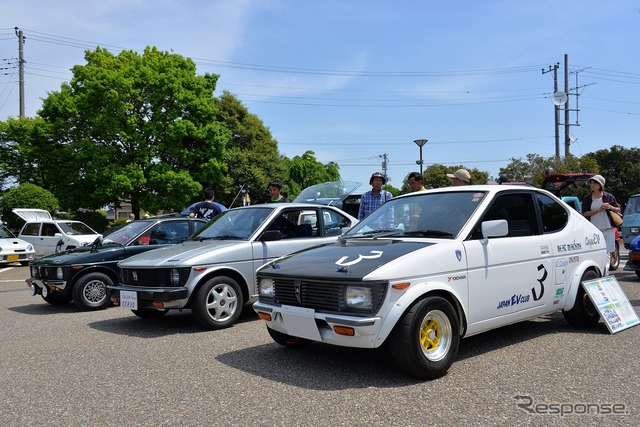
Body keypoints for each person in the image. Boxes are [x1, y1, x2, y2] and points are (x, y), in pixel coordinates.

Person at [581, 174, 621, 259]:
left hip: (608, 228)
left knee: (608, 253)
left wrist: (610, 207)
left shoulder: (608, 196)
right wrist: (598, 210)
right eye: (591, 183)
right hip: (594, 230)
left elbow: (618, 209)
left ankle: (606, 272)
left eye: (594, 183)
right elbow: (584, 213)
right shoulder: (587, 198)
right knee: (596, 254)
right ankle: (601, 271)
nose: (592, 185)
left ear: (600, 185)